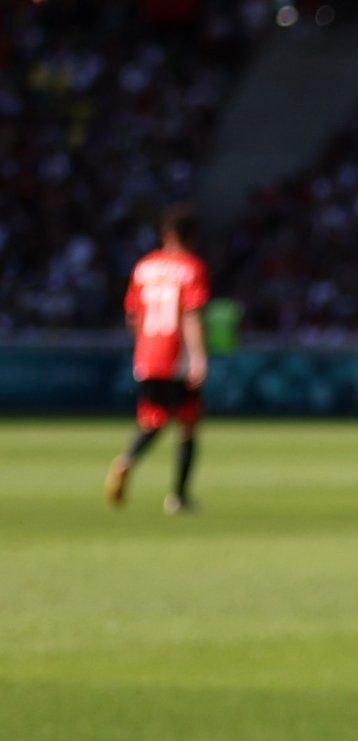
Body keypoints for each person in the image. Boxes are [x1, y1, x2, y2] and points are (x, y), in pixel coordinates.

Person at [104, 202, 209, 515]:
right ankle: (178, 496)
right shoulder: (192, 267)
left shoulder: (144, 267)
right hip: (178, 356)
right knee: (187, 423)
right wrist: (198, 357)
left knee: (153, 419)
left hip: (148, 353)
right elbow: (191, 314)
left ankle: (128, 460)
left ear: (166, 233)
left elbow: (132, 315)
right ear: (192, 236)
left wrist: (145, 348)